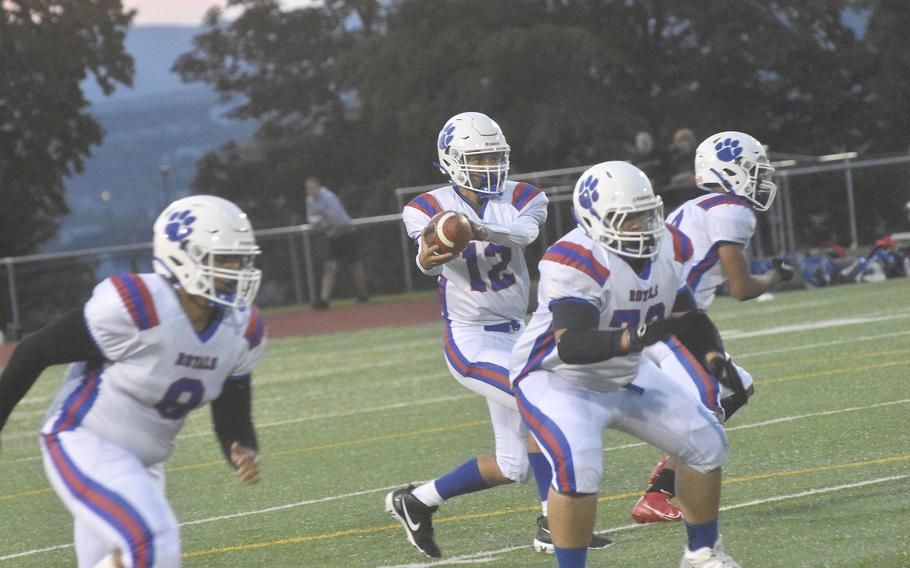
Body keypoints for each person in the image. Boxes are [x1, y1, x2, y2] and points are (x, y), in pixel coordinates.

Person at [386, 111, 611, 559]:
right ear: (451, 161)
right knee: (545, 402)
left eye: (495, 155)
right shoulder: (425, 207)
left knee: (512, 466)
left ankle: (417, 500)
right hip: (470, 337)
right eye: (478, 157)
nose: (489, 165)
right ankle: (552, 522)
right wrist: (437, 248)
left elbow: (525, 236)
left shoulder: (527, 196)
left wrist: (478, 229)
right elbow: (426, 259)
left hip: (518, 332)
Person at [0, 195, 266, 568]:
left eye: (240, 260)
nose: (235, 269)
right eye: (223, 259)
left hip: (144, 463)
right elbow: (34, 351)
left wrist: (241, 448)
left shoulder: (241, 329)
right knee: (154, 541)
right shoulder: (136, 306)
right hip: (85, 439)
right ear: (182, 256)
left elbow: (232, 411)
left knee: (129, 558)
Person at [510, 160, 740, 568]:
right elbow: (571, 344)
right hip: (558, 378)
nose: (641, 227)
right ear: (594, 220)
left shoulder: (670, 244)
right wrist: (630, 339)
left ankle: (702, 553)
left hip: (624, 372)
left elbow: (688, 315)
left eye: (646, 214)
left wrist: (713, 357)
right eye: (627, 218)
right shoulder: (574, 259)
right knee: (579, 468)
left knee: (707, 442)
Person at [630, 131, 794, 524]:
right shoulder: (733, 210)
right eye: (754, 170)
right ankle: (666, 492)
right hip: (668, 323)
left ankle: (664, 479)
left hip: (662, 314)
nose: (760, 179)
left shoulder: (694, 206)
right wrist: (774, 276)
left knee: (738, 386)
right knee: (705, 408)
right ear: (732, 171)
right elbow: (740, 288)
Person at [305, 177, 369, 309]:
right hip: (332, 235)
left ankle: (363, 295)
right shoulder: (310, 201)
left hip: (346, 232)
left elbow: (334, 217)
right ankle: (324, 301)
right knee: (329, 266)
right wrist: (319, 221)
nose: (310, 191)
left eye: (312, 188)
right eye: (308, 189)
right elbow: (311, 219)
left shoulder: (328, 197)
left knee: (354, 265)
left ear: (318, 187)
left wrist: (320, 220)